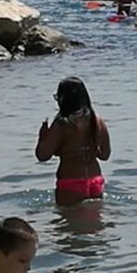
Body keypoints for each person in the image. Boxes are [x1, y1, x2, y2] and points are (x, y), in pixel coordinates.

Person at [35, 77, 111, 207]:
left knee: (67, 224)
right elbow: (105, 155)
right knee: (94, 225)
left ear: (63, 99)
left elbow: (42, 155)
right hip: (95, 181)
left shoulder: (62, 124)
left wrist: (42, 136)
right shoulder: (96, 120)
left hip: (71, 182)